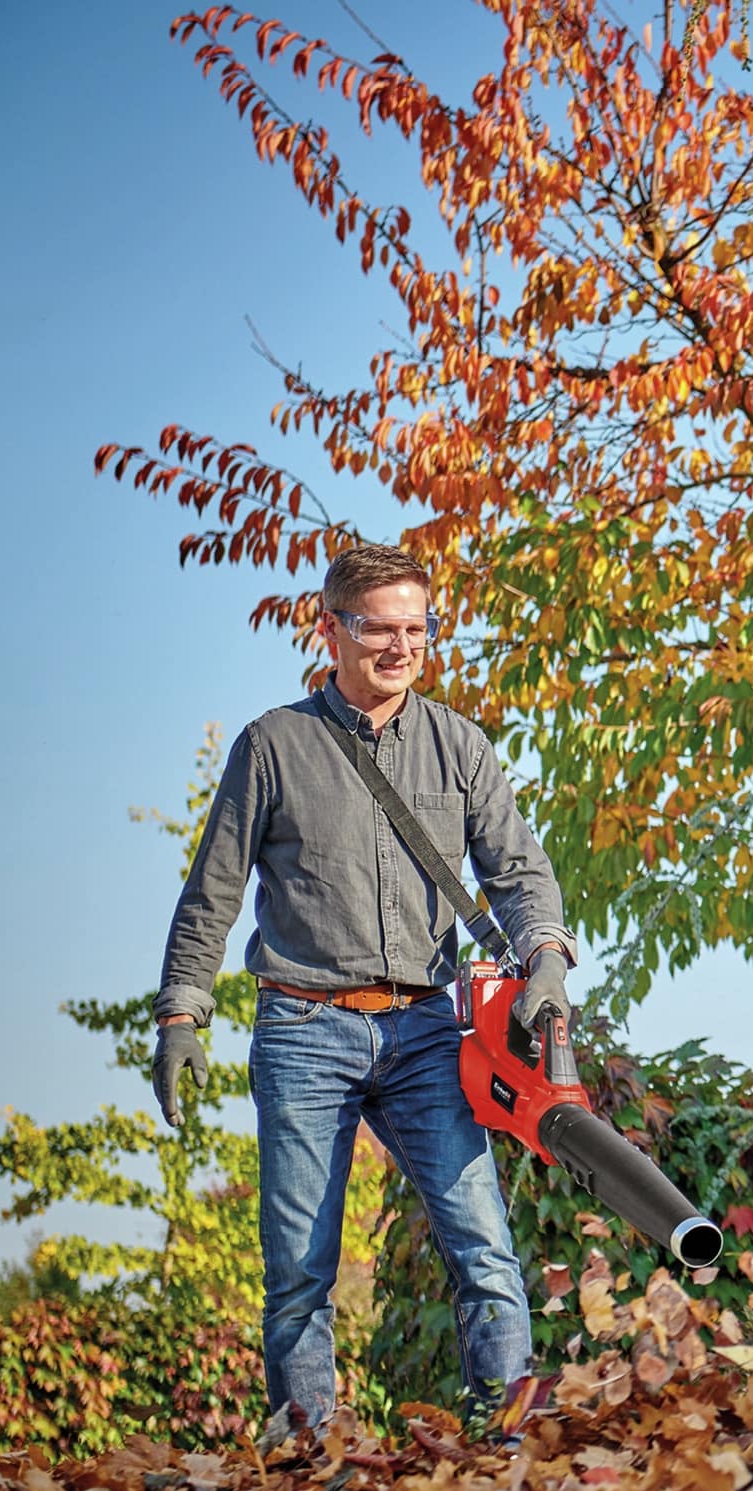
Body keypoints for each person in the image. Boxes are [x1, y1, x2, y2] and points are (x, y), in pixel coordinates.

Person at [150, 541, 576, 1428]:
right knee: (300, 1268)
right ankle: (312, 1455)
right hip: (305, 1026)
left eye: (416, 629)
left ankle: (507, 1440)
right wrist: (182, 1015)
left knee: (485, 1249)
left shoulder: (459, 745)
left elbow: (520, 874)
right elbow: (213, 894)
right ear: (330, 629)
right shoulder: (273, 745)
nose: (400, 648)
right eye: (379, 629)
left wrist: (544, 959)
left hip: (426, 1033)